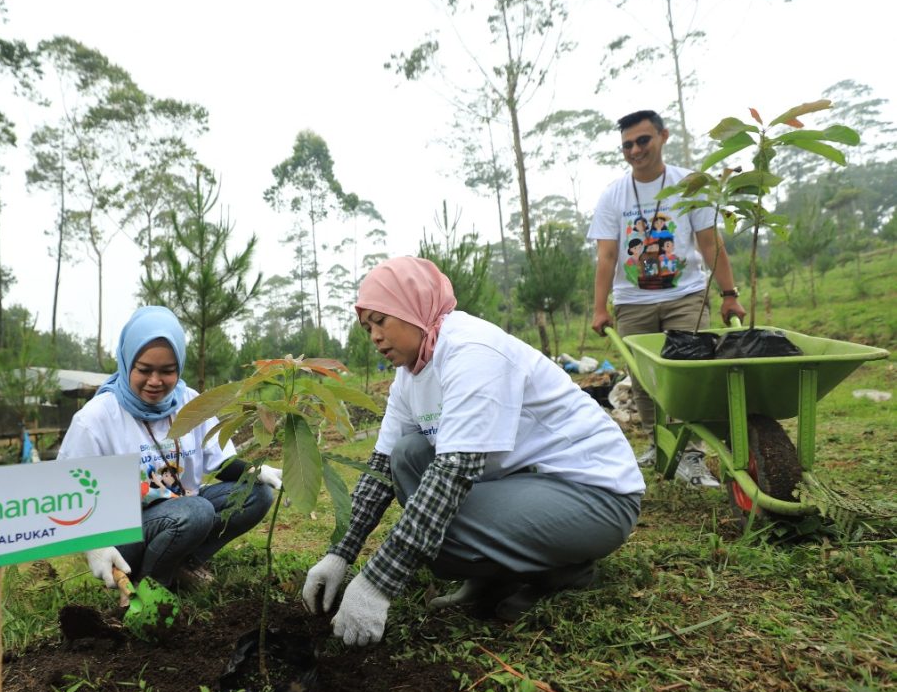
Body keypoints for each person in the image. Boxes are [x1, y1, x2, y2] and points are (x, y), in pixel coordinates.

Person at [301, 257, 645, 647]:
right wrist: (340, 554)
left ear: (412, 306)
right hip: (526, 485)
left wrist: (378, 582)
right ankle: (495, 578)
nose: (375, 337)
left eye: (381, 321)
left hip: (595, 495)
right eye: (368, 328)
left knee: (433, 527)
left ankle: (563, 571)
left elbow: (454, 474)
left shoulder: (472, 350)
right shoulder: (409, 374)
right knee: (407, 455)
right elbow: (380, 471)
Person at [58, 306, 282, 591]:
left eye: (167, 371)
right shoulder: (96, 419)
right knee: (197, 511)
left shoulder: (190, 403)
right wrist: (94, 544)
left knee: (257, 494)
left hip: (184, 509)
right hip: (127, 535)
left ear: (180, 366)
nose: (155, 381)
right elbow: (67, 493)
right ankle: (151, 584)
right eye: (144, 370)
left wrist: (256, 472)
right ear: (127, 362)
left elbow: (220, 463)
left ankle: (182, 565)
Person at [588, 109, 747, 487]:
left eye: (643, 140)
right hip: (633, 301)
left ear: (663, 136)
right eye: (627, 145)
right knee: (643, 377)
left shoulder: (689, 186)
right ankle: (657, 443)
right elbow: (607, 256)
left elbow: (710, 244)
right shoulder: (614, 195)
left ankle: (690, 454)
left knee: (688, 373)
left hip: (685, 295)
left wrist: (729, 295)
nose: (635, 150)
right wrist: (599, 308)